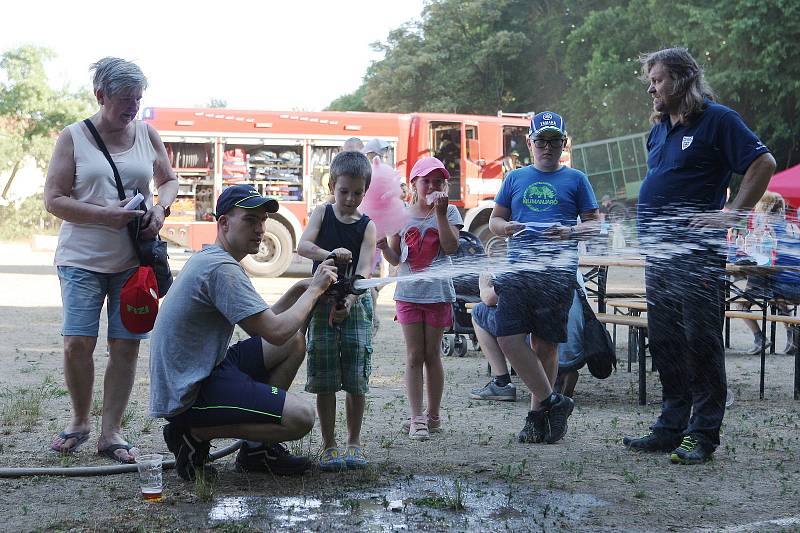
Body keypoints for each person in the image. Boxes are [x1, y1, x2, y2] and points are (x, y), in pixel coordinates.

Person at [624, 47, 776, 465]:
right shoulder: (657, 130)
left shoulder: (718, 120)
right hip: (660, 255)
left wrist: (732, 214)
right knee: (667, 339)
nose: (651, 89)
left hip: (697, 255)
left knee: (700, 339)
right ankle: (670, 426)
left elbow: (762, 163)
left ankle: (702, 433)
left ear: (682, 79)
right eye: (650, 81)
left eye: (657, 80)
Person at [149, 184, 338, 480]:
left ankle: (256, 451)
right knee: (302, 418)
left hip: (203, 371)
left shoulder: (214, 260)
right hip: (189, 391)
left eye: (262, 220)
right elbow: (274, 331)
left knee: (294, 343)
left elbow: (265, 323)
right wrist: (314, 291)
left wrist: (303, 288)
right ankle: (192, 433)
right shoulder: (221, 270)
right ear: (223, 223)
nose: (260, 228)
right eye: (250, 220)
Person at [43, 57, 178, 463]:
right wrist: (106, 214)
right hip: (81, 259)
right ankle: (80, 421)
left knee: (126, 346)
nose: (132, 108)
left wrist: (161, 210)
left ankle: (111, 433)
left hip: (133, 264)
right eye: (124, 100)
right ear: (100, 96)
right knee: (77, 344)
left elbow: (167, 181)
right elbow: (53, 199)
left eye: (137, 99)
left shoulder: (146, 134)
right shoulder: (74, 137)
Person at [469, 111, 599, 444]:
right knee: (509, 336)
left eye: (554, 141)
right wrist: (505, 227)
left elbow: (595, 225)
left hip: (557, 273)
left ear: (563, 144)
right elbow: (496, 221)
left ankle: (538, 417)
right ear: (530, 143)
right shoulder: (514, 179)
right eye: (540, 140)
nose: (547, 147)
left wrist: (569, 231)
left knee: (545, 345)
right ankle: (554, 401)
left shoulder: (577, 179)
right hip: (519, 270)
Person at [297, 151, 377, 471]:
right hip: (321, 299)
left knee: (356, 375)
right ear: (332, 185)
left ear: (365, 191)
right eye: (344, 191)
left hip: (355, 303)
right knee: (325, 373)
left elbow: (365, 272)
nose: (350, 198)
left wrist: (351, 300)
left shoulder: (368, 227)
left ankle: (354, 443)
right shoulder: (321, 213)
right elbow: (303, 246)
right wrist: (330, 253)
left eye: (357, 193)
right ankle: (330, 445)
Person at [378, 157, 462, 440]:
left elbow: (451, 248)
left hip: (438, 295)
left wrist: (439, 214)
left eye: (438, 181)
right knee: (414, 355)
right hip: (409, 295)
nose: (432, 186)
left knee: (432, 354)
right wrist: (382, 247)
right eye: (426, 180)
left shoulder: (450, 214)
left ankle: (433, 415)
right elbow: (394, 256)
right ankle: (417, 418)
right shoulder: (400, 215)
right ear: (413, 184)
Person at [737, 192, 800, 355]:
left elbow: (761, 258)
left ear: (763, 209)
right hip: (797, 286)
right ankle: (792, 339)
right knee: (778, 301)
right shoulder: (793, 226)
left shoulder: (767, 229)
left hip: (781, 286)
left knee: (740, 304)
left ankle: (760, 339)